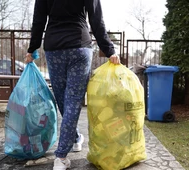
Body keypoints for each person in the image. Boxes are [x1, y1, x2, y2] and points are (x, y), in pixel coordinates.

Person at [24, 0, 120, 169]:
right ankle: (65, 151)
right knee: (72, 102)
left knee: (63, 99)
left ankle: (65, 150)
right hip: (79, 47)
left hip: (55, 49)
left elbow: (38, 20)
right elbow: (96, 20)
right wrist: (109, 49)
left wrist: (32, 49)